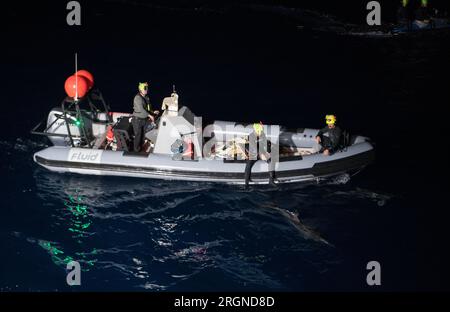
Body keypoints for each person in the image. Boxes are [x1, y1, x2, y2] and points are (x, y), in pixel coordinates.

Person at [244, 122, 277, 189]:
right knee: (248, 164)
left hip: (261, 152)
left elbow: (266, 143)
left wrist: (268, 152)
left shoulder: (262, 134)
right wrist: (261, 155)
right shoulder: (251, 136)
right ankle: (246, 183)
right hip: (253, 153)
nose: (261, 131)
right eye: (260, 130)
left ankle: (271, 180)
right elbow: (254, 148)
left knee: (270, 161)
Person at [131, 82, 159, 152]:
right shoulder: (137, 98)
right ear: (141, 89)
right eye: (145, 88)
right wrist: (150, 115)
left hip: (144, 120)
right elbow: (141, 110)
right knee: (138, 136)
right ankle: (136, 151)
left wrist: (153, 112)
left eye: (147, 88)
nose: (147, 90)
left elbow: (148, 109)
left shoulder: (146, 97)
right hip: (137, 120)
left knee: (143, 135)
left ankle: (141, 148)